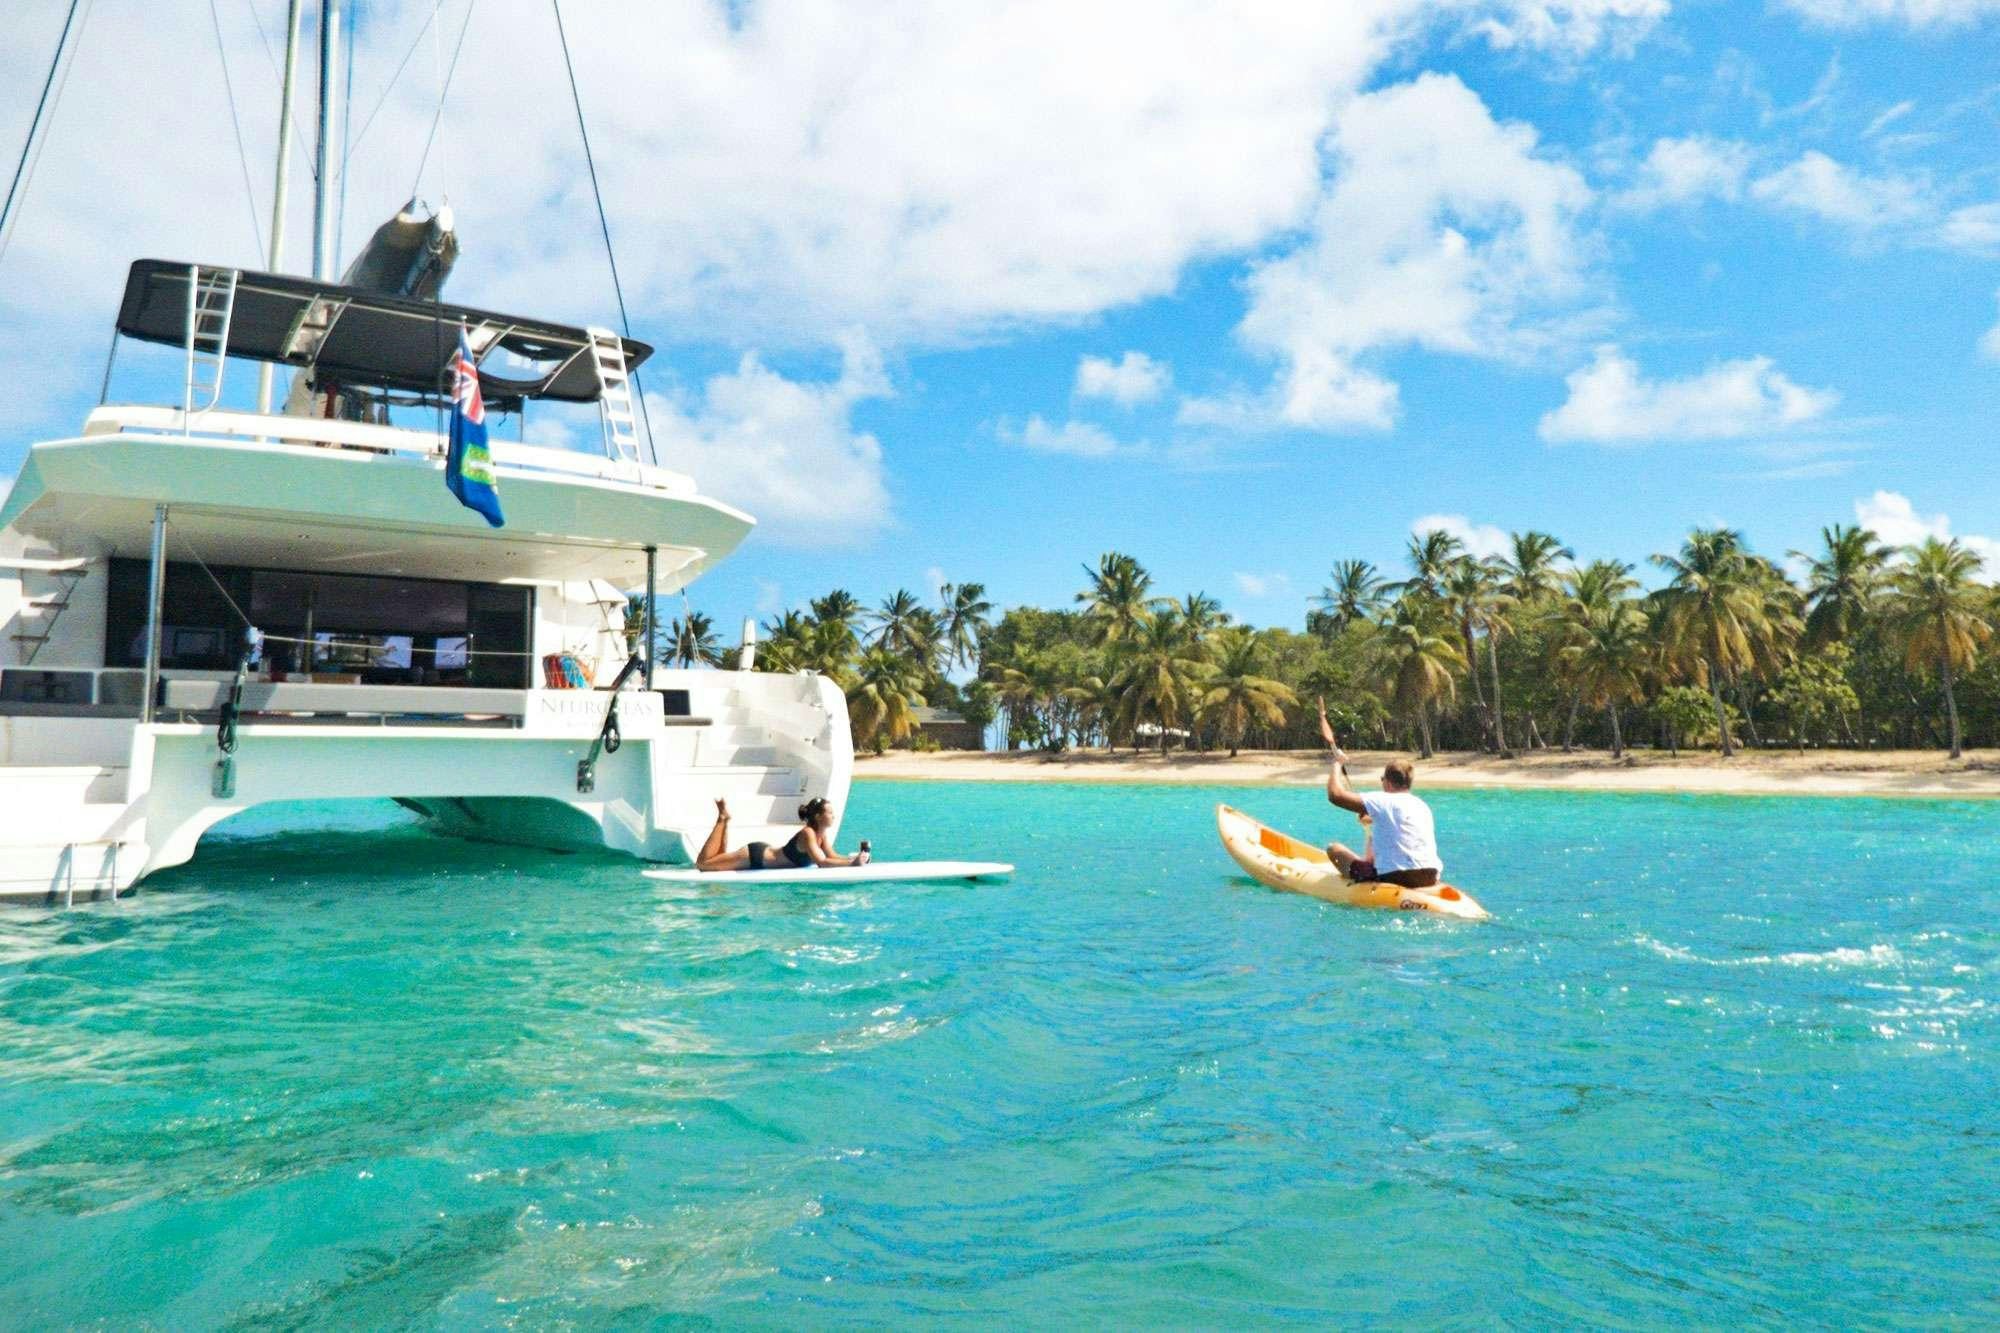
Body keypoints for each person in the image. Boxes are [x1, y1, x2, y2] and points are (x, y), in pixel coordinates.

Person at [1315, 699, 1443, 889]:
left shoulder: (1382, 800)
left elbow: (1335, 795)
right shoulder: (1422, 806)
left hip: (1395, 877)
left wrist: (1336, 764)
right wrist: (1373, 821)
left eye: (1382, 779)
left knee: (1334, 849)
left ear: (1388, 782)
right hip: (1430, 877)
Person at [693, 796, 872, 872]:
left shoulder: (821, 835)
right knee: (703, 865)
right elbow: (822, 863)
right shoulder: (808, 833)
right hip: (755, 856)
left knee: (718, 858)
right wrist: (852, 864)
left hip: (764, 853)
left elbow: (832, 856)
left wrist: (854, 859)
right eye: (830, 813)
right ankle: (722, 818)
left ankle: (725, 820)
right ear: (818, 817)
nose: (834, 816)